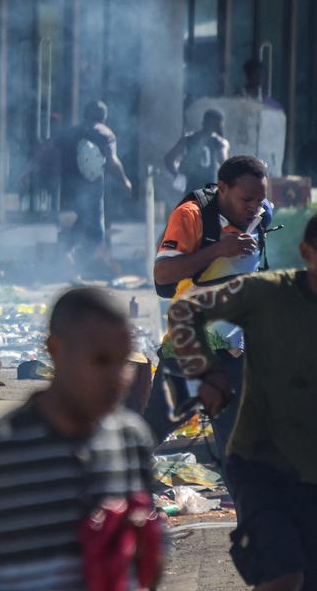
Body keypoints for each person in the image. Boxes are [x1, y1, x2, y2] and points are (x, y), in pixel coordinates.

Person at [0, 288, 162, 591]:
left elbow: (151, 556)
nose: (115, 378)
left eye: (123, 363)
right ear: (55, 350)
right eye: (100, 361)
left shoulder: (131, 440)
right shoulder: (0, 448)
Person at [168, 214, 317, 591]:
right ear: (306, 254)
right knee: (285, 575)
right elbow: (185, 310)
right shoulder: (270, 293)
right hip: (265, 465)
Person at [143, 155, 271, 459]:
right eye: (247, 199)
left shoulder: (262, 214)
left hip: (236, 350)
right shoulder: (191, 215)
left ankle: (250, 505)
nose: (255, 206)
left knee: (237, 446)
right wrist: (219, 250)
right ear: (223, 189)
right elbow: (163, 273)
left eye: (261, 199)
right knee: (153, 430)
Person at [63, 101, 132, 276]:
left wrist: (30, 170)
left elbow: (51, 148)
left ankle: (66, 253)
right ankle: (74, 267)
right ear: (104, 117)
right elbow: (111, 160)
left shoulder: (73, 132)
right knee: (96, 234)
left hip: (70, 186)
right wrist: (124, 181)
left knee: (82, 220)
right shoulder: (104, 133)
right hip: (92, 189)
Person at [164, 109, 230, 193]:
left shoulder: (188, 139)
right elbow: (226, 166)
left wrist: (178, 176)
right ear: (218, 124)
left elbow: (169, 159)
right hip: (210, 191)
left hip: (191, 190)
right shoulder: (220, 143)